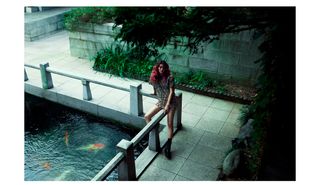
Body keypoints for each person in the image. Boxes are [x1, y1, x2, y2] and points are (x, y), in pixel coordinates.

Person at [144, 60, 177, 159]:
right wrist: (154, 92)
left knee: (170, 124)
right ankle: (155, 130)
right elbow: (154, 85)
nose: (161, 69)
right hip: (160, 101)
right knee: (147, 116)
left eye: (163, 67)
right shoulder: (155, 76)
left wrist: (167, 105)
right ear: (157, 68)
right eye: (159, 67)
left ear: (166, 68)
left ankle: (168, 148)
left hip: (170, 102)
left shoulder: (169, 78)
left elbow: (172, 92)